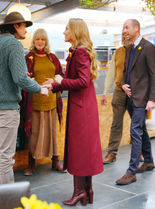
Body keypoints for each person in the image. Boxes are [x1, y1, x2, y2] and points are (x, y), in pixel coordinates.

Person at [0, 12, 49, 185]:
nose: (26, 31)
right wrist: (40, 88)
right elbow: (21, 79)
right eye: (24, 26)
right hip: (6, 110)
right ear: (16, 26)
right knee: (6, 157)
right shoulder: (14, 45)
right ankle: (7, 200)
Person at [44, 18, 103, 206]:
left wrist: (59, 82)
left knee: (79, 149)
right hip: (84, 106)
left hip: (81, 109)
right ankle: (86, 191)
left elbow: (83, 81)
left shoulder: (79, 52)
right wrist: (56, 83)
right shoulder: (79, 52)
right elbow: (78, 80)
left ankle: (80, 192)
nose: (64, 31)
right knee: (84, 150)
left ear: (75, 31)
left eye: (67, 28)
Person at [116, 19, 155, 185]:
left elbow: (154, 75)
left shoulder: (148, 48)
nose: (124, 30)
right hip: (130, 98)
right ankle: (148, 161)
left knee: (135, 132)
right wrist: (123, 85)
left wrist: (152, 99)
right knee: (141, 129)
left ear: (136, 28)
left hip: (142, 99)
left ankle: (131, 171)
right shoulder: (129, 49)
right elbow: (126, 72)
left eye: (126, 27)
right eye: (123, 27)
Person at [21, 28, 64, 176]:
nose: (40, 42)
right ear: (33, 41)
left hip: (52, 101)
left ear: (46, 41)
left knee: (52, 133)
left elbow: (60, 76)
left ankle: (55, 161)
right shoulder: (28, 58)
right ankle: (31, 164)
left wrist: (56, 81)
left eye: (43, 39)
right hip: (35, 103)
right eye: (37, 39)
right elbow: (22, 78)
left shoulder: (52, 57)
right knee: (34, 134)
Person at [101, 31, 133, 164]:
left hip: (135, 93)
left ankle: (142, 151)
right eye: (122, 34)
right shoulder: (118, 52)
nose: (124, 37)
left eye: (127, 34)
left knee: (138, 124)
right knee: (116, 124)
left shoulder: (139, 51)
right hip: (119, 92)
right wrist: (105, 91)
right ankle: (112, 153)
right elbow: (111, 73)